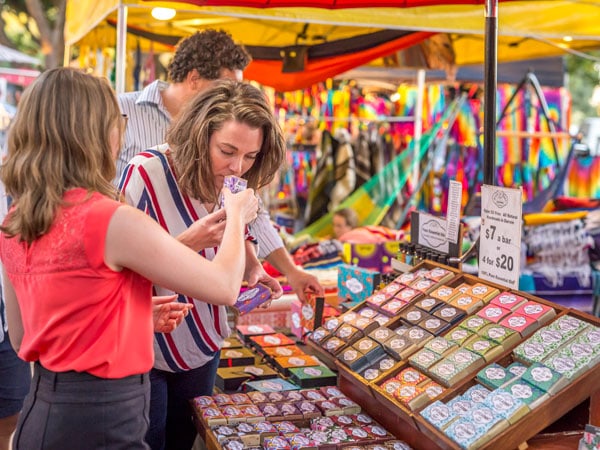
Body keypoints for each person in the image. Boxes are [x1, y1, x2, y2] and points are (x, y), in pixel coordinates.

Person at [0, 68, 259, 450]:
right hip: (104, 416)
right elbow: (223, 286)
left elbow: (26, 337)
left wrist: (127, 315)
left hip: (42, 413)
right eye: (115, 121)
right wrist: (237, 214)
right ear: (96, 133)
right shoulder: (110, 218)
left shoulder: (15, 220)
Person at [119, 79, 288, 450]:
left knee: (185, 439)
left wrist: (252, 266)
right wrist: (189, 243)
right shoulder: (146, 172)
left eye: (250, 156)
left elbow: (234, 233)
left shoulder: (236, 180)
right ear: (199, 135)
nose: (237, 166)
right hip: (148, 343)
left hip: (205, 339)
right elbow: (117, 271)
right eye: (227, 151)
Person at [117, 29, 323, 303]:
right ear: (194, 79)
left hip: (204, 304)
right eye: (224, 87)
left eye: (250, 156)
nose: (232, 96)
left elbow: (249, 214)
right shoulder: (122, 114)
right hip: (146, 293)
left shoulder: (235, 132)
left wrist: (280, 269)